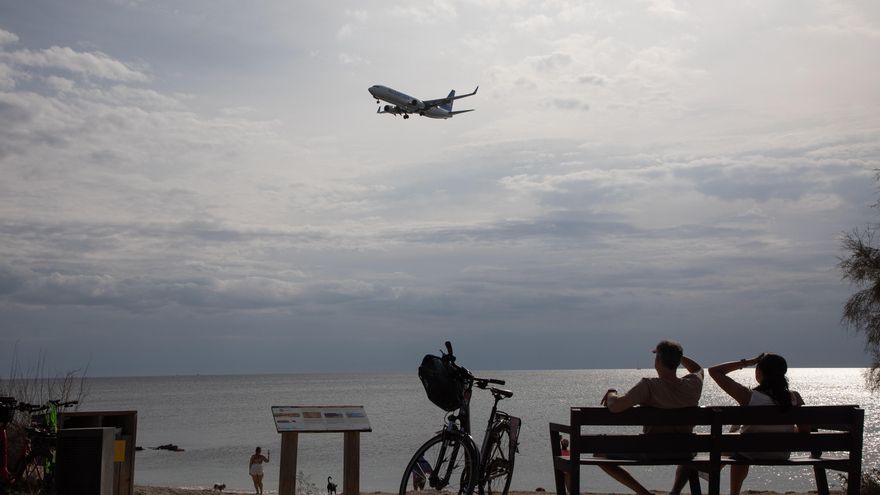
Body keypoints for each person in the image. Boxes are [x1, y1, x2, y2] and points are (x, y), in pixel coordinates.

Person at [673, 353, 805, 495]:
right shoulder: (794, 397)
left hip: (749, 452)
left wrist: (747, 362)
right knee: (739, 441)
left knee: (739, 444)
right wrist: (784, 431)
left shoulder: (749, 396)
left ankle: (726, 485)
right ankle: (720, 477)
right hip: (781, 453)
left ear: (759, 372)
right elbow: (805, 430)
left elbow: (714, 371)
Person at [598, 340, 704, 495]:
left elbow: (615, 406)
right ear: (678, 362)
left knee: (599, 453)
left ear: (658, 360)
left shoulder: (649, 386)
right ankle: (675, 492)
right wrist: (677, 356)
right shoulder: (693, 385)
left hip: (652, 451)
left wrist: (611, 393)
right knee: (686, 449)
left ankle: (643, 493)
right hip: (685, 451)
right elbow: (698, 369)